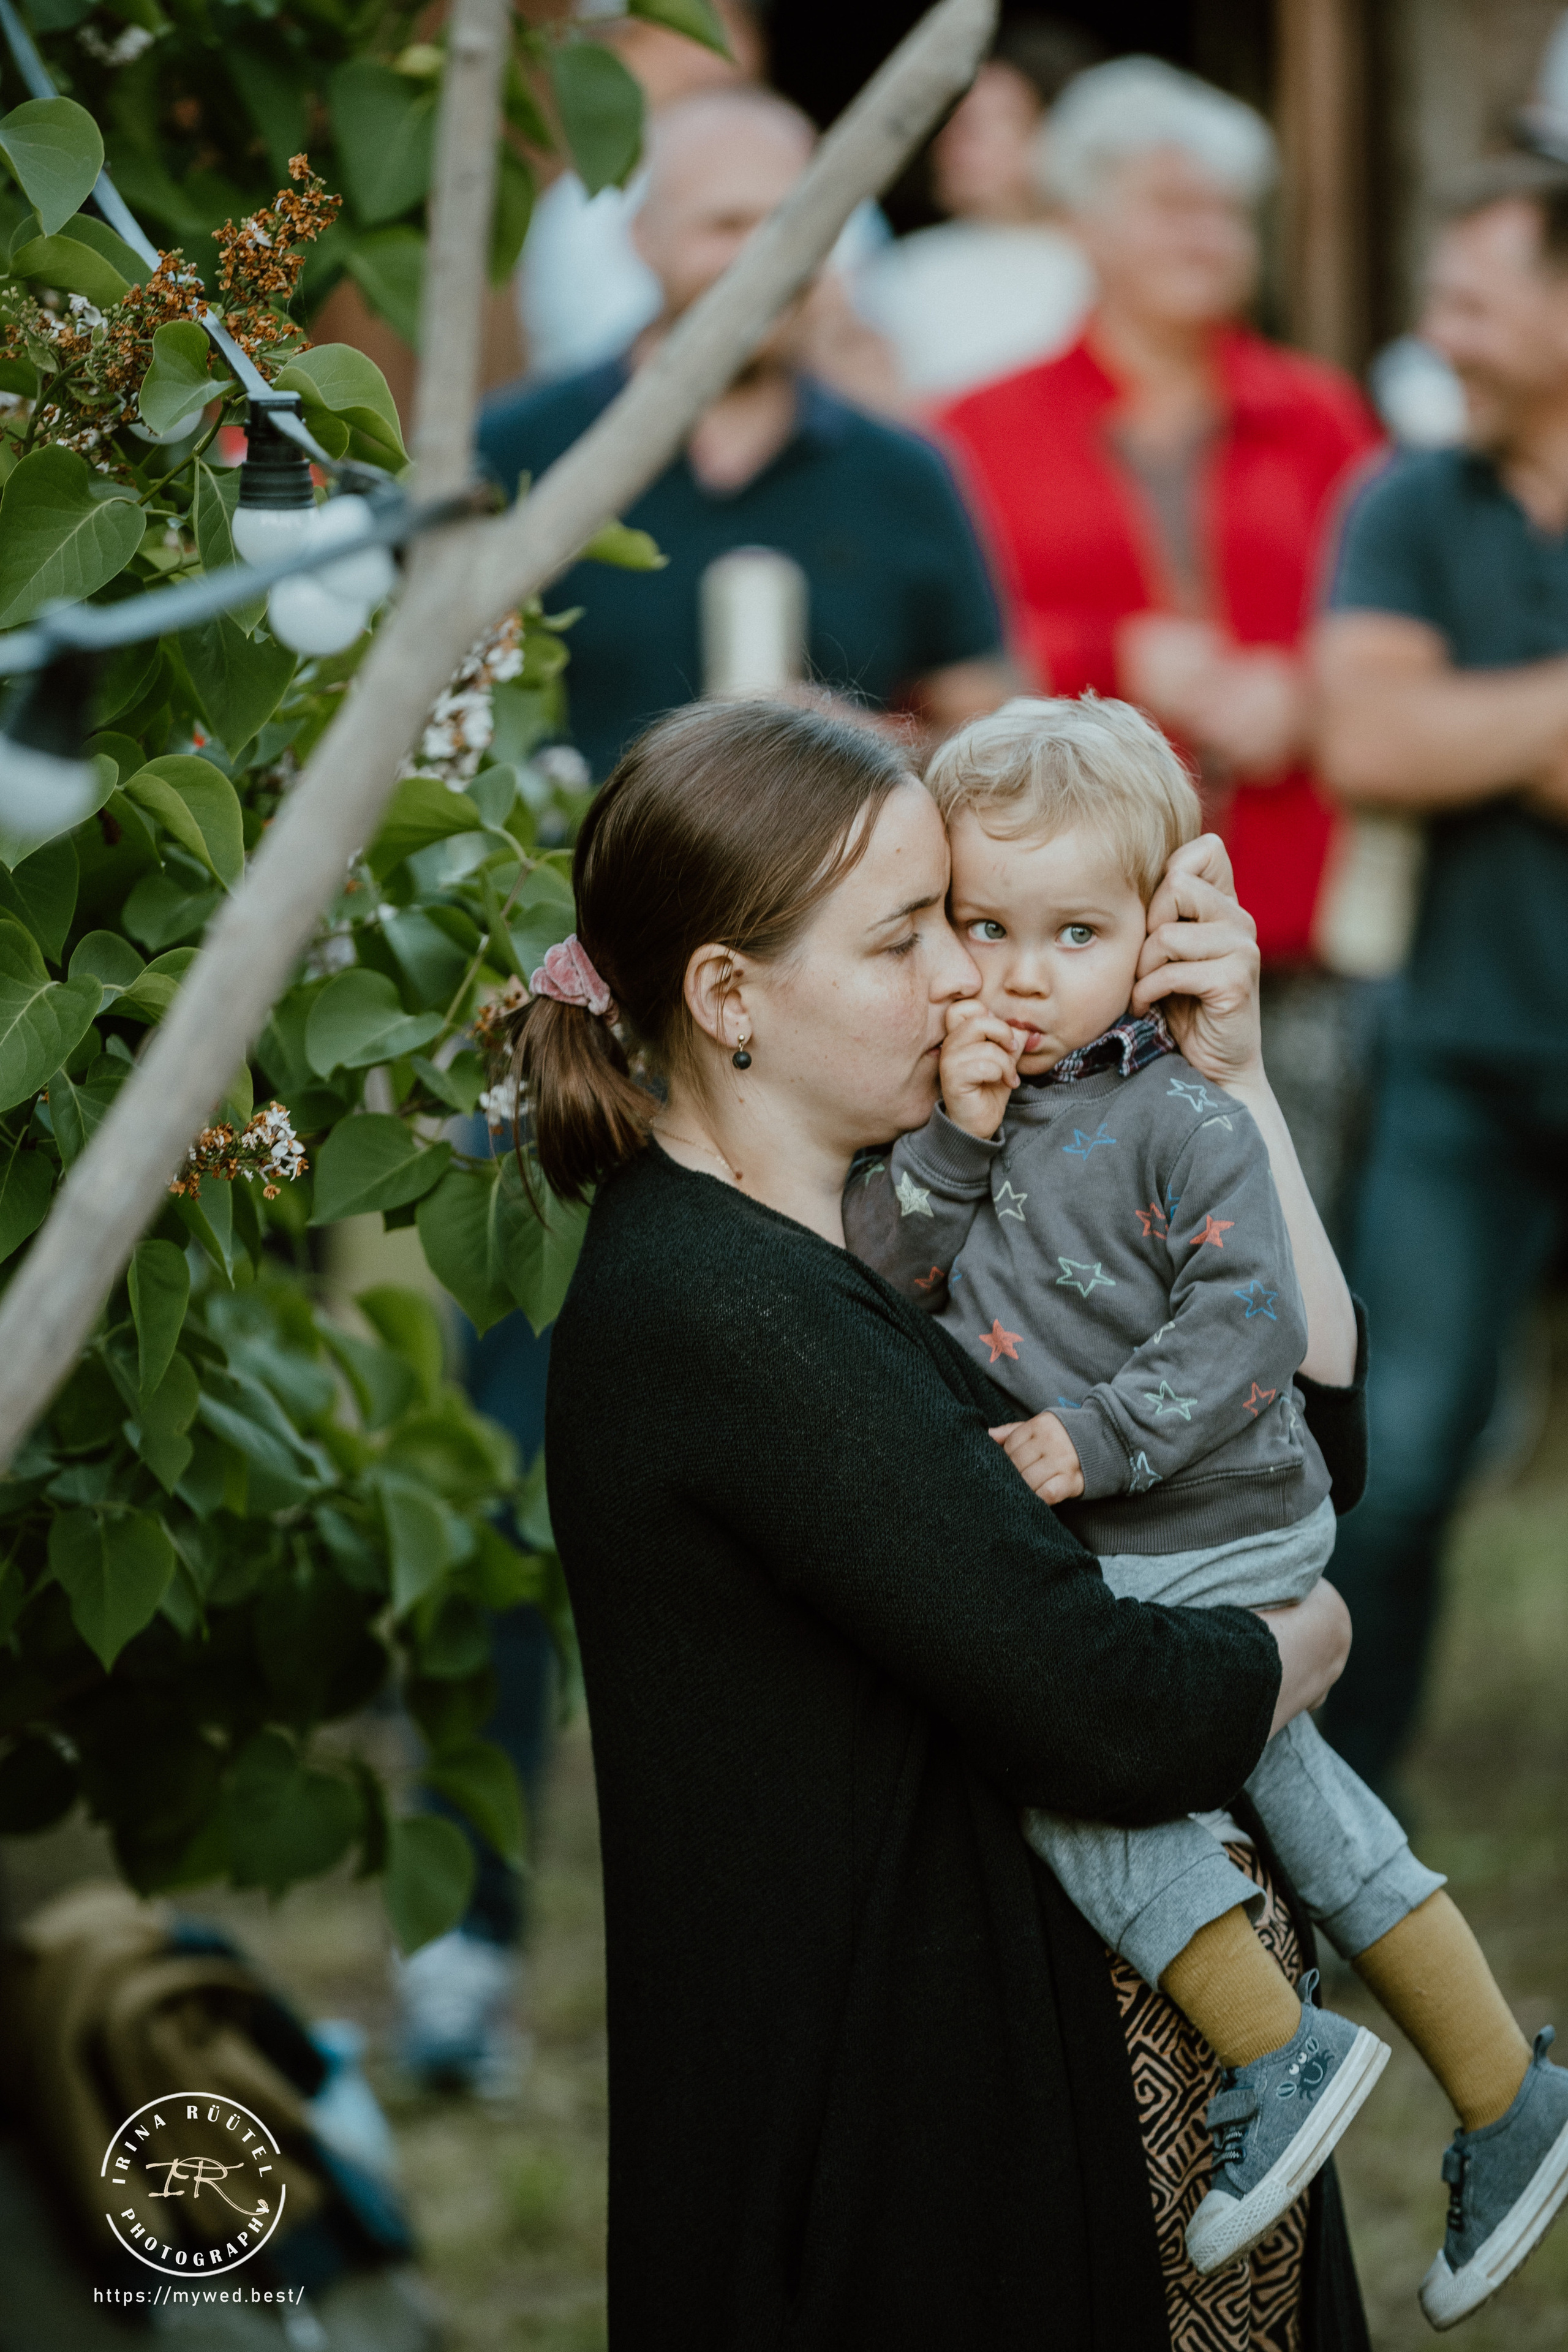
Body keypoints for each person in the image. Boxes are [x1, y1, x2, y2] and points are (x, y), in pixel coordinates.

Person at [498, 693, 1369, 2346]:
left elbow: (1298, 1439)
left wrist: (1230, 1086)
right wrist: (1293, 1640)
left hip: (1048, 2101)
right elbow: (1098, 1704)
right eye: (909, 940)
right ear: (731, 997)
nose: (973, 980)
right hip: (921, 2153)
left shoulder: (890, 1235)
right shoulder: (725, 1314)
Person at [843, 694, 1568, 2326]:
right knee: (1324, 1817)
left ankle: (1271, 2047)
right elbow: (887, 1279)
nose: (1024, 972)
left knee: (1082, 1775)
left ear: (1163, 931)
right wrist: (952, 1140)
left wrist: (1090, 1445)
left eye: (1074, 931)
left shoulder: (1181, 1111)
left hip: (1200, 1519)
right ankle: (1508, 2095)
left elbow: (1250, 1328)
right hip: (1171, 1527)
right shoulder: (980, 1110)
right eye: (986, 926)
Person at [935, 56, 1381, 1216]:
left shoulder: (1321, 413)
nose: (1211, 233)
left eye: (1230, 209)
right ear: (1083, 219)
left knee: (1285, 1231)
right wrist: (1113, 655)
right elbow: (938, 645)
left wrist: (1304, 688)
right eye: (1174, 204)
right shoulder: (981, 426)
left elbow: (1385, 616)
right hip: (1059, 936)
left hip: (1285, 914)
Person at [1313, 156, 1568, 1797]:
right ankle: (1335, 1831)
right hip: (1461, 1066)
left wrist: (1486, 723)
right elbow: (1367, 738)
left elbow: (1430, 727)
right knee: (1395, 1461)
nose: (1437, 330)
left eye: (1474, 295)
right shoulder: (1405, 502)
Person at [480, 86, 1011, 784]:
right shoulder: (519, 448)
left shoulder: (904, 472)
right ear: (642, 238)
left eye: (791, 224)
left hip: (819, 889)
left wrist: (865, 745)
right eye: (724, 225)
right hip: (557, 886)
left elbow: (995, 738)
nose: (761, 258)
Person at [852, 17, 1097, 405]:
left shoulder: (1109, 265)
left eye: (986, 125)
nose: (955, 141)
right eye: (955, 122)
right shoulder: (907, 269)